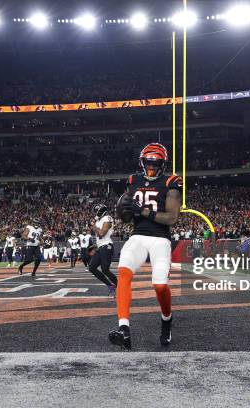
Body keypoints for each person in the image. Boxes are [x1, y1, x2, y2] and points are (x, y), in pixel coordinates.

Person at [110, 143, 182, 350]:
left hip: (160, 238)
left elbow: (171, 218)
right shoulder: (133, 180)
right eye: (148, 162)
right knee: (123, 273)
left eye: (155, 162)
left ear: (163, 163)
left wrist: (142, 211)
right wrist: (122, 211)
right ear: (142, 162)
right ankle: (124, 329)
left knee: (159, 286)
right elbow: (126, 215)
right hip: (138, 236)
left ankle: (166, 320)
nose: (151, 166)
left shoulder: (171, 181)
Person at [89, 203, 118, 296]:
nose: (95, 214)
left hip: (107, 246)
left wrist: (93, 225)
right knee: (92, 267)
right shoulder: (100, 220)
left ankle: (120, 286)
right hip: (100, 246)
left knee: (105, 269)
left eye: (96, 212)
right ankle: (110, 285)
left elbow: (101, 233)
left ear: (100, 211)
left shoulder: (107, 218)